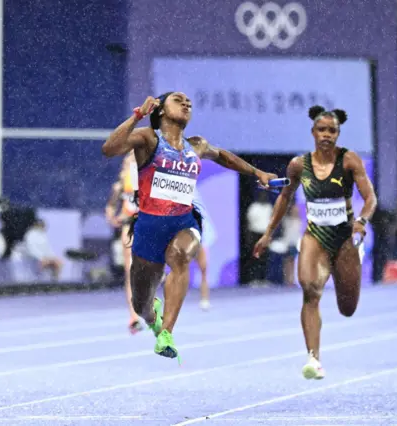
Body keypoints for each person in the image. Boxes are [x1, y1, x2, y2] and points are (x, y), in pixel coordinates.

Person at [102, 92, 278, 360]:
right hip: (149, 226)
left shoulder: (196, 145)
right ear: (160, 110)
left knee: (181, 255)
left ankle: (167, 333)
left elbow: (224, 157)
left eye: (189, 102)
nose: (187, 104)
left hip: (184, 220)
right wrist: (137, 116)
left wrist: (257, 173)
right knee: (142, 306)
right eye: (178, 100)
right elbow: (109, 149)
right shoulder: (148, 138)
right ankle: (154, 318)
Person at [253, 105, 377, 380]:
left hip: (344, 239)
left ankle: (319, 347)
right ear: (313, 132)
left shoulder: (349, 160)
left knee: (347, 309)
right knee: (310, 290)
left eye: (332, 130)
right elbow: (285, 197)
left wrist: (362, 221)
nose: (327, 135)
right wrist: (268, 233)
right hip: (315, 237)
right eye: (322, 130)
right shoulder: (299, 165)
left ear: (338, 134)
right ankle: (313, 358)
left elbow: (370, 198)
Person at [105, 151, 144, 333]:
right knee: (130, 270)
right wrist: (113, 217)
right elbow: (110, 206)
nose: (132, 163)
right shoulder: (120, 185)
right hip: (129, 226)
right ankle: (134, 316)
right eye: (129, 161)